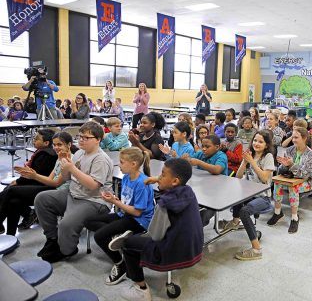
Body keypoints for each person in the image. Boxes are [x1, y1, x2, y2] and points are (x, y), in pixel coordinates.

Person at [109, 158, 203, 301]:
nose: (159, 177)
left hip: (174, 250)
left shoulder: (164, 205)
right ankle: (134, 238)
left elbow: (156, 235)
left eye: (162, 175)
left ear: (175, 181)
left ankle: (140, 289)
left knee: (128, 245)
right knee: (140, 238)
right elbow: (170, 184)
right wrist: (158, 180)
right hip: (194, 248)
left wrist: (143, 236)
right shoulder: (188, 192)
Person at [34, 121, 114, 263]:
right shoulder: (79, 154)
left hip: (94, 201)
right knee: (42, 199)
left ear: (98, 140)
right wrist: (64, 165)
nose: (81, 139)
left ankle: (67, 250)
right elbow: (66, 178)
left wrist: (72, 168)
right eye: (80, 136)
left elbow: (93, 186)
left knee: (66, 224)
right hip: (74, 195)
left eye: (86, 137)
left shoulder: (101, 159)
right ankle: (53, 239)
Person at [84, 147, 154, 285]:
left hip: (138, 220)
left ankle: (120, 264)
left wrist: (115, 201)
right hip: (125, 214)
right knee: (88, 220)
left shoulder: (142, 183)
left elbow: (137, 212)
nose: (119, 165)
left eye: (121, 162)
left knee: (99, 236)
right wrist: (114, 198)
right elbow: (127, 201)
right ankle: (120, 237)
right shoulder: (127, 177)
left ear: (133, 164)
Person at [223, 130, 275, 260]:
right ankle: (235, 222)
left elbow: (264, 178)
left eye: (260, 141)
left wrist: (252, 162)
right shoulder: (251, 155)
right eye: (255, 140)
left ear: (266, 145)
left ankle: (256, 249)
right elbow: (239, 176)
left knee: (245, 212)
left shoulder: (267, 157)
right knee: (236, 195)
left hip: (263, 197)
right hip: (249, 193)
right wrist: (244, 162)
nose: (256, 143)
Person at [0, 129, 58, 235]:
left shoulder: (47, 155)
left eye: (36, 139)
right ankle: (11, 235)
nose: (34, 141)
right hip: (38, 183)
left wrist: (18, 181)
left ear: (46, 143)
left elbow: (33, 175)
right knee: (13, 201)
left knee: (10, 190)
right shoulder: (41, 152)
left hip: (43, 186)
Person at [268, 128, 312, 233]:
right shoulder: (289, 150)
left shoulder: (310, 154)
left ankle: (294, 218)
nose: (293, 140)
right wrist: (283, 166)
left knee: (293, 187)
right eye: (293, 137)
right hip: (291, 178)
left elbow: (305, 175)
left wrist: (291, 165)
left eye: (296, 137)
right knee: (277, 183)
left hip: (307, 181)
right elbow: (282, 171)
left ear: (304, 138)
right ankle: (277, 213)